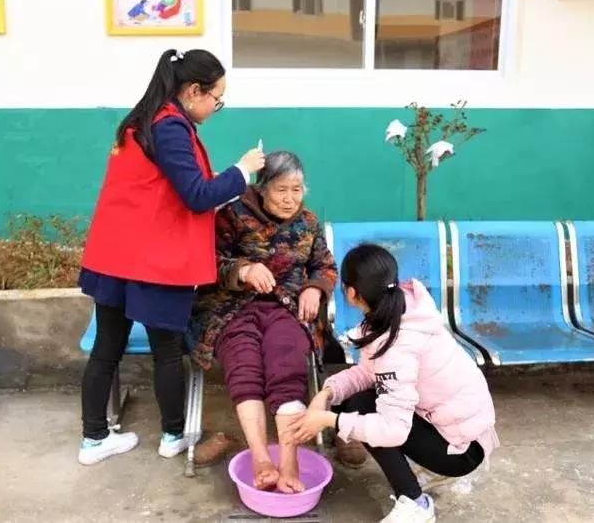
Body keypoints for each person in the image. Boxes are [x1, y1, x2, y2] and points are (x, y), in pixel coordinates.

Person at [77, 48, 266, 466]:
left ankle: (93, 440)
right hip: (152, 262)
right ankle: (172, 436)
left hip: (116, 256)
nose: (217, 108)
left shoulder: (143, 121)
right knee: (166, 350)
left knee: (107, 347)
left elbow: (169, 190)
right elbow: (196, 195)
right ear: (194, 90)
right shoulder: (170, 128)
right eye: (217, 99)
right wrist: (242, 170)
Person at [291, 244, 499, 522]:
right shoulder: (401, 308)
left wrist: (331, 420)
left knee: (364, 409)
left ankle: (416, 503)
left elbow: (392, 431)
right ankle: (418, 479)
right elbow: (368, 372)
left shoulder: (397, 344)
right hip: (462, 427)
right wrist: (327, 393)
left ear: (351, 293)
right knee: (359, 399)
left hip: (462, 450)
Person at [188, 151, 337, 493]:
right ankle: (259, 457)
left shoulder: (309, 223)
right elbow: (208, 260)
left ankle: (289, 461)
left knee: (286, 362)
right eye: (281, 189)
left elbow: (325, 267)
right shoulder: (232, 215)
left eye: (297, 190)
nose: (290, 199)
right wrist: (243, 270)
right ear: (262, 187)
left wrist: (315, 289)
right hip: (231, 307)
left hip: (287, 308)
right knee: (244, 363)